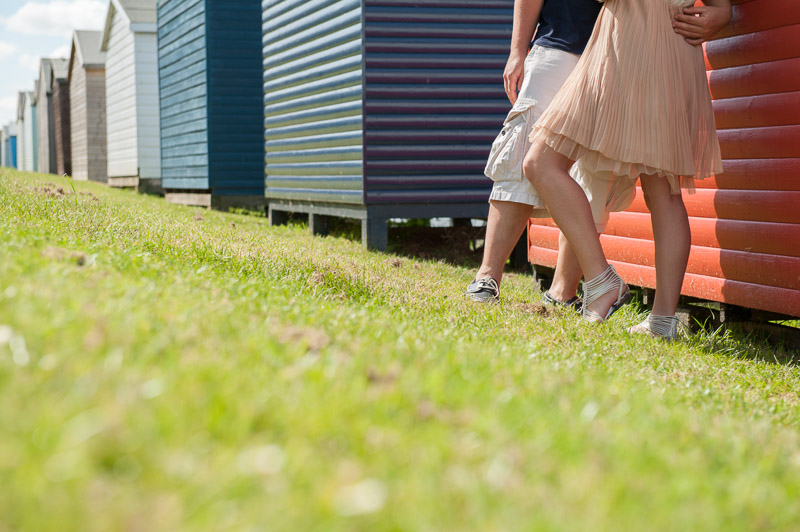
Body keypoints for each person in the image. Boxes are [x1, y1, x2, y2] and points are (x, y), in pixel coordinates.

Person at [466, 0, 731, 311]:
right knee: (527, 154)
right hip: (585, 44)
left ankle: (575, 289)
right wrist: (517, 50)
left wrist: (721, 13)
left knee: (578, 173)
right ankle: (491, 275)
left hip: (626, 50)